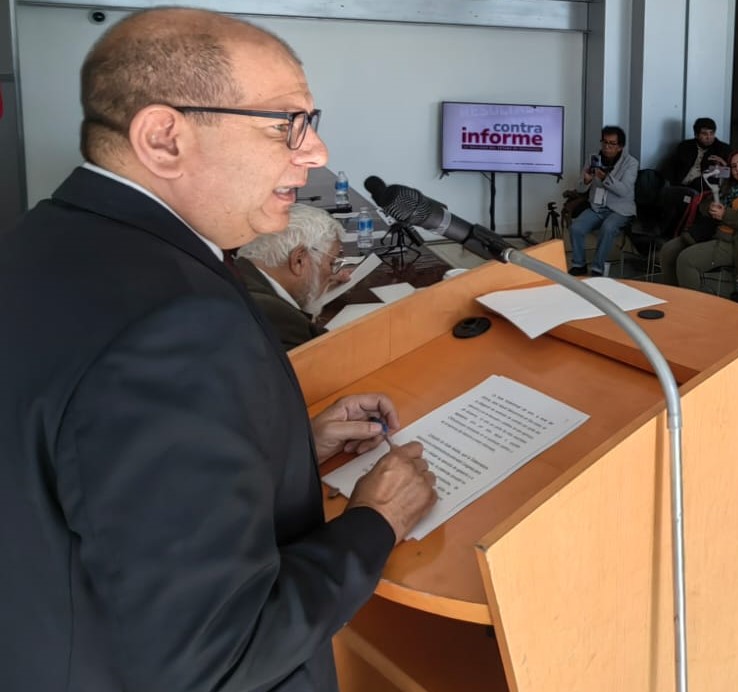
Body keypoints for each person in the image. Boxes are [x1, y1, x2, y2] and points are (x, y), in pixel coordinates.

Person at [0, 8, 438, 690]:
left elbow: (94, 467)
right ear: (164, 139)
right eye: (286, 123)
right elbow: (218, 653)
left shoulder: (50, 239)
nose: (316, 153)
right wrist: (376, 522)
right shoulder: (174, 320)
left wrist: (281, 449)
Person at [235, 203, 355, 349]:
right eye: (331, 264)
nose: (332, 274)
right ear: (299, 261)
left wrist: (313, 286)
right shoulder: (279, 317)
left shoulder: (233, 275)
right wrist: (313, 296)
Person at [660, 150, 738, 295]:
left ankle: (691, 304)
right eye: (733, 166)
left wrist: (725, 214)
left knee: (687, 260)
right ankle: (673, 297)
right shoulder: (729, 187)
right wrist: (710, 207)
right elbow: (704, 205)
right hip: (713, 234)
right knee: (668, 251)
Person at [566, 125, 639, 276]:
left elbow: (624, 190)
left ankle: (598, 268)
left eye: (612, 143)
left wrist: (605, 178)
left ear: (620, 147)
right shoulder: (593, 158)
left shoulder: (630, 163)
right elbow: (580, 189)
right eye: (604, 142)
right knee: (576, 228)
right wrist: (586, 181)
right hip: (597, 207)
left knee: (608, 227)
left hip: (620, 209)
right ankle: (579, 264)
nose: (607, 147)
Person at [658, 117, 732, 236]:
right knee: (669, 197)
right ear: (696, 135)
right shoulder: (685, 146)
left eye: (711, 133)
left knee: (683, 199)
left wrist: (723, 165)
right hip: (679, 185)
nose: (709, 137)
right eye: (704, 134)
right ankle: (664, 232)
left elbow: (730, 174)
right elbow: (671, 166)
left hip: (701, 188)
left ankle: (670, 233)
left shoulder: (722, 149)